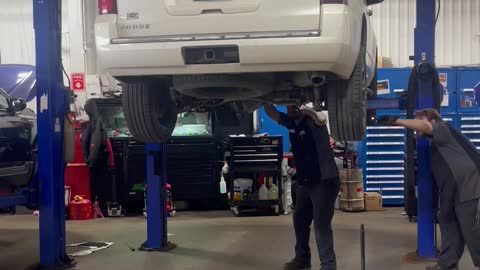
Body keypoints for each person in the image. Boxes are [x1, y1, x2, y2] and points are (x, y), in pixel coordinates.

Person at [378, 109, 480, 270]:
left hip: (469, 186)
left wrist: (396, 121)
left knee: (473, 231)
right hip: (452, 191)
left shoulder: (443, 128)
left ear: (431, 119)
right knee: (448, 224)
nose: (415, 124)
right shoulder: (436, 143)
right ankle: (447, 264)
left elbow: (425, 125)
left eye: (417, 119)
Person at [264, 104, 339, 270]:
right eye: (289, 106)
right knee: (299, 220)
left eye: (295, 106)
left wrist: (306, 109)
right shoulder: (291, 123)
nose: (291, 109)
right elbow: (271, 112)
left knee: (321, 224)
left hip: (324, 181)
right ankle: (302, 259)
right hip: (306, 181)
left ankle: (328, 266)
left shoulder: (314, 122)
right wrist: (263, 98)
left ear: (302, 108)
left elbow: (321, 118)